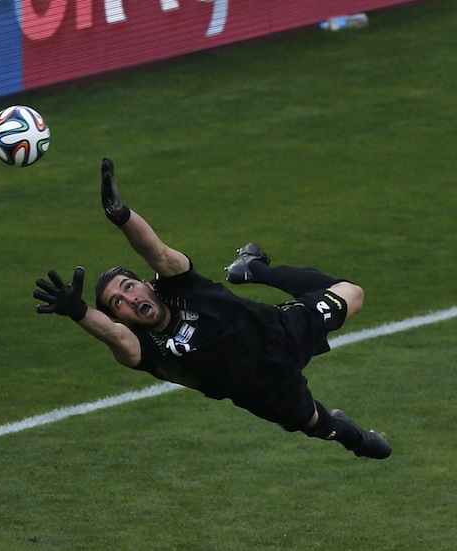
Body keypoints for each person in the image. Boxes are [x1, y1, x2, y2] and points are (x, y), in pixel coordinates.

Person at [33, 157, 391, 459]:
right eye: (118, 303)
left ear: (147, 283)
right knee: (318, 425)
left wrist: (122, 215)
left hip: (283, 329)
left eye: (129, 287)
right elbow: (113, 335)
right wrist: (77, 311)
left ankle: (255, 269)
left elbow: (155, 251)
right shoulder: (150, 352)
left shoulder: (180, 284)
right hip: (266, 392)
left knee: (351, 293)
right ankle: (353, 437)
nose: (130, 300)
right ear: (121, 318)